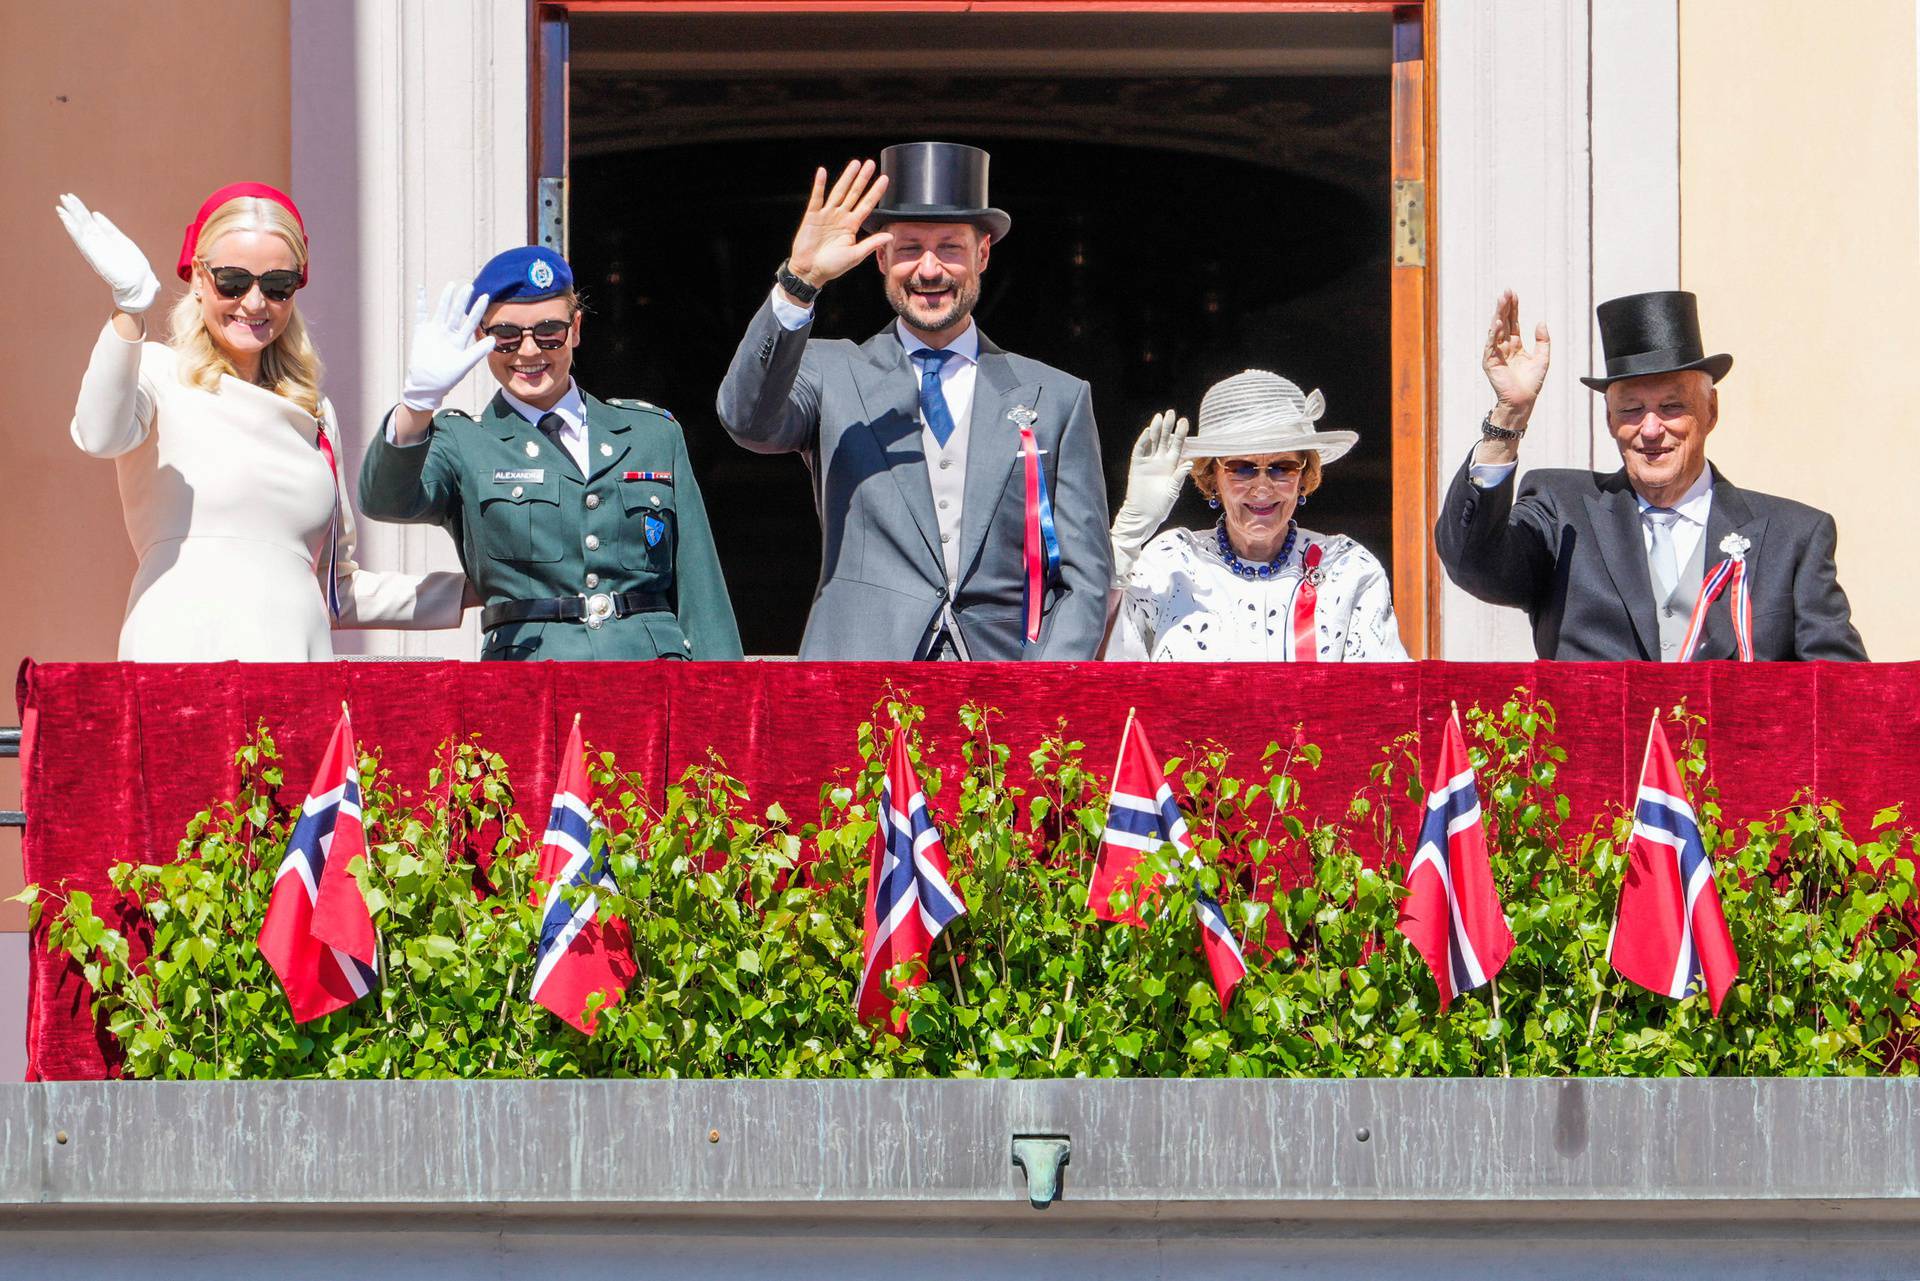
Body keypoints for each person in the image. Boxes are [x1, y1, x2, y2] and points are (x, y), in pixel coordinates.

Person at [715, 142, 1111, 660]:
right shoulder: (830, 371)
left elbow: (1085, 576)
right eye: (908, 248)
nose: (929, 270)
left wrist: (1046, 686)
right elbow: (748, 420)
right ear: (879, 256)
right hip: (861, 679)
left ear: (983, 254)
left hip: (1005, 686)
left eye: (949, 247)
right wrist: (800, 282)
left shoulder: (1058, 397)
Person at [58, 185, 469, 661]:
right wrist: (129, 312)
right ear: (196, 277)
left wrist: (485, 587)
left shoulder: (316, 412)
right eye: (232, 281)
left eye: (277, 286)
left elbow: (335, 589)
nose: (254, 304)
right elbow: (99, 433)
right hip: (179, 655)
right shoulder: (155, 371)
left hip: (294, 664)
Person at [1436, 289, 1866, 661]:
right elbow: (1472, 564)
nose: (1651, 429)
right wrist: (1509, 417)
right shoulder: (1561, 510)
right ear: (1609, 419)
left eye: (1672, 407)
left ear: (1710, 412)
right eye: (1631, 409)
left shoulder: (1795, 536)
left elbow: (1842, 695)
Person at [358, 246, 742, 661]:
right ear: (479, 340)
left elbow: (701, 591)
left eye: (549, 332)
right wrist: (417, 405)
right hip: (530, 677)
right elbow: (385, 501)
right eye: (505, 337)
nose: (528, 352)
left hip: (650, 672)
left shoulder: (652, 434)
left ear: (575, 329)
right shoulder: (462, 441)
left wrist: (721, 705)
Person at [1104, 370, 1408, 661]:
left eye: (1282, 467)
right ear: (1212, 477)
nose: (1262, 487)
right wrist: (1129, 532)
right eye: (1241, 468)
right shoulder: (1170, 563)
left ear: (1304, 476)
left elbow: (1386, 698)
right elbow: (1100, 666)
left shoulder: (1348, 567)